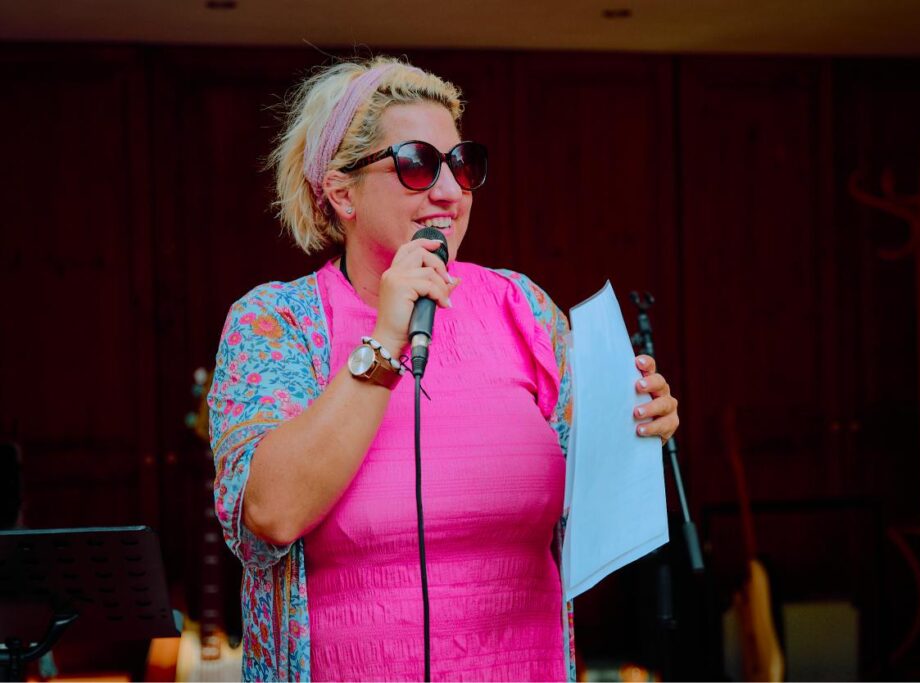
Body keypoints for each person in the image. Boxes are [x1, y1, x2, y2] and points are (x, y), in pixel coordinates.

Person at [208, 55, 680, 682]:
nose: (450, 192)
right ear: (342, 193)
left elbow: (594, 514)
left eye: (462, 164)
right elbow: (272, 513)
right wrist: (386, 338)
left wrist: (637, 432)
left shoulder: (524, 310)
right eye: (416, 164)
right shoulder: (276, 323)